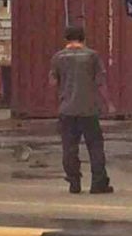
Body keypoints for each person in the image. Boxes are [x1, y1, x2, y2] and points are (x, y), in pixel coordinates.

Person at [49, 26, 115, 194]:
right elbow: (100, 83)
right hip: (89, 109)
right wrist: (108, 103)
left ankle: (74, 182)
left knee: (69, 147)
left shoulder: (58, 57)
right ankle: (98, 183)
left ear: (66, 38)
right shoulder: (92, 56)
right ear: (84, 38)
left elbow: (53, 83)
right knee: (95, 146)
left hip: (67, 110)